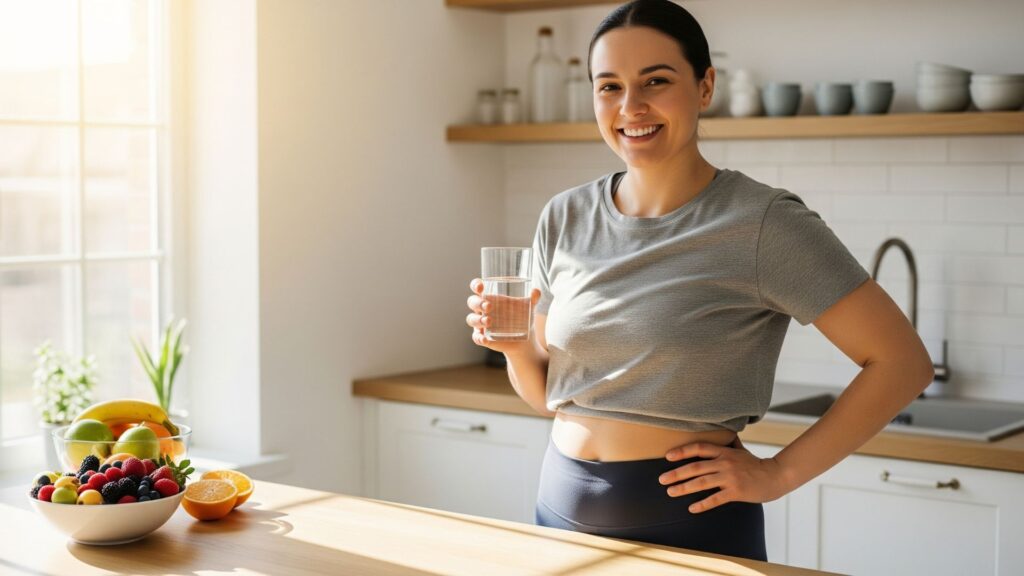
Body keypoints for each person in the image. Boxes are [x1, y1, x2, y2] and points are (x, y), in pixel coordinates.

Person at [464, 0, 934, 562]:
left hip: (692, 525)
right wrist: (516, 351)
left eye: (655, 81)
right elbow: (551, 397)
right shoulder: (563, 216)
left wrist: (778, 473)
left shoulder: (763, 222)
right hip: (558, 507)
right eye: (608, 86)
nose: (630, 106)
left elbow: (902, 363)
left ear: (705, 87)